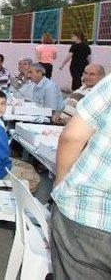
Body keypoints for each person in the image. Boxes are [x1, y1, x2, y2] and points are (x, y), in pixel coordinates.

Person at [51, 73, 111, 279]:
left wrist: (59, 187)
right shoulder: (78, 92)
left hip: (90, 213)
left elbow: (72, 136)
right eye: (83, 73)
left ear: (101, 75)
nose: (85, 76)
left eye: (91, 73)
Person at [0, 89, 41, 193]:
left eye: (3, 103)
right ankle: (5, 192)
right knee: (35, 179)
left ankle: (7, 187)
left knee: (30, 167)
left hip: (3, 161)